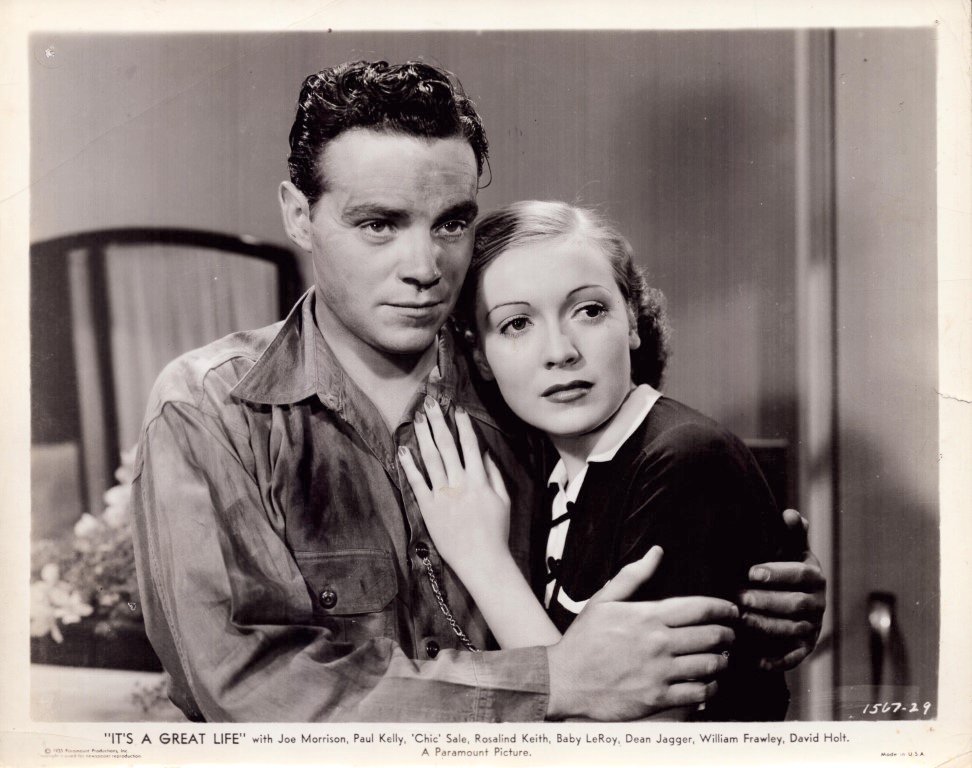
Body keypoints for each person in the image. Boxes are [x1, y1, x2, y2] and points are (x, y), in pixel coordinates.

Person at [131, 59, 825, 722]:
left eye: (451, 223)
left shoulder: (531, 383)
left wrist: (751, 592)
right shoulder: (211, 411)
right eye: (379, 224)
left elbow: (663, 543)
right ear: (298, 215)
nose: (424, 266)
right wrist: (554, 680)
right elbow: (257, 692)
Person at [402, 200, 803, 720]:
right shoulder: (554, 472)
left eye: (589, 311)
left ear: (631, 319)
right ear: (480, 354)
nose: (560, 351)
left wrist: (483, 560)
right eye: (517, 324)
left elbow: (630, 743)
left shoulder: (685, 460)